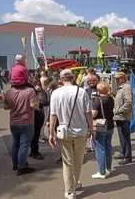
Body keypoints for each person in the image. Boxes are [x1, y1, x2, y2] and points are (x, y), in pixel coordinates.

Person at [48, 69, 95, 199]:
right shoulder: (82, 92)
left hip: (64, 132)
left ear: (61, 79)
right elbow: (88, 113)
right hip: (81, 131)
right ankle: (74, 183)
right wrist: (92, 129)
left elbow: (53, 115)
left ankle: (70, 191)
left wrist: (51, 133)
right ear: (73, 78)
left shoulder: (56, 93)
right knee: (78, 160)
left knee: (67, 162)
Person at [4, 76, 39, 176]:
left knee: (15, 143)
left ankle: (15, 164)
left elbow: (6, 107)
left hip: (14, 122)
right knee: (24, 145)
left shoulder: (9, 92)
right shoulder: (30, 91)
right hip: (26, 121)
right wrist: (37, 101)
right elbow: (33, 105)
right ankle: (22, 167)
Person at [91, 82, 115, 179]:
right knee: (108, 146)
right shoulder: (111, 99)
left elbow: (93, 114)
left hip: (101, 126)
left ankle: (101, 171)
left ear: (99, 90)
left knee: (100, 148)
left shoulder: (98, 101)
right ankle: (108, 168)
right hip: (110, 125)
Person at [113, 72, 133, 165]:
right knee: (121, 136)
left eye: (118, 78)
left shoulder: (126, 88)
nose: (116, 80)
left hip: (123, 116)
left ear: (123, 78)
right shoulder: (121, 88)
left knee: (125, 137)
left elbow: (128, 102)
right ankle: (123, 152)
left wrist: (120, 110)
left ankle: (127, 156)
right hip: (119, 116)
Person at [29, 78, 49, 160]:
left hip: (36, 114)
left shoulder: (39, 91)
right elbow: (43, 101)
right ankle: (34, 151)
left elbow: (43, 101)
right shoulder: (32, 91)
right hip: (35, 114)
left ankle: (33, 150)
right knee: (34, 134)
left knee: (34, 134)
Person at [85, 75, 98, 153]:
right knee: (90, 128)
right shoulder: (86, 90)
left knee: (96, 128)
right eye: (90, 81)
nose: (92, 82)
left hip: (97, 111)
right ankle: (91, 145)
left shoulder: (99, 89)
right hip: (89, 111)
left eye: (93, 80)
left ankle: (96, 145)